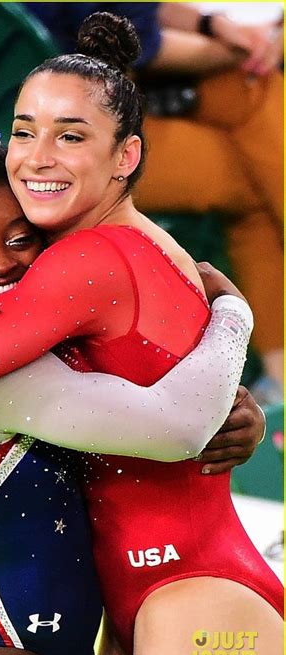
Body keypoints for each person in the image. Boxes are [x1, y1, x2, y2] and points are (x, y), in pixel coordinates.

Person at [0, 13, 282, 655]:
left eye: (71, 135)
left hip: (193, 604)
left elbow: (184, 425)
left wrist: (233, 320)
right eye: (26, 131)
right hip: (130, 610)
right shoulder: (66, 258)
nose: (39, 155)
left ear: (126, 156)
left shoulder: (81, 262)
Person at [25, 1, 284, 403]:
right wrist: (256, 45)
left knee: (250, 96)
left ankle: (279, 374)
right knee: (256, 179)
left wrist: (210, 23)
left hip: (1, 107)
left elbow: (138, 13)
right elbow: (142, 45)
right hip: (78, 149)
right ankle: (279, 373)